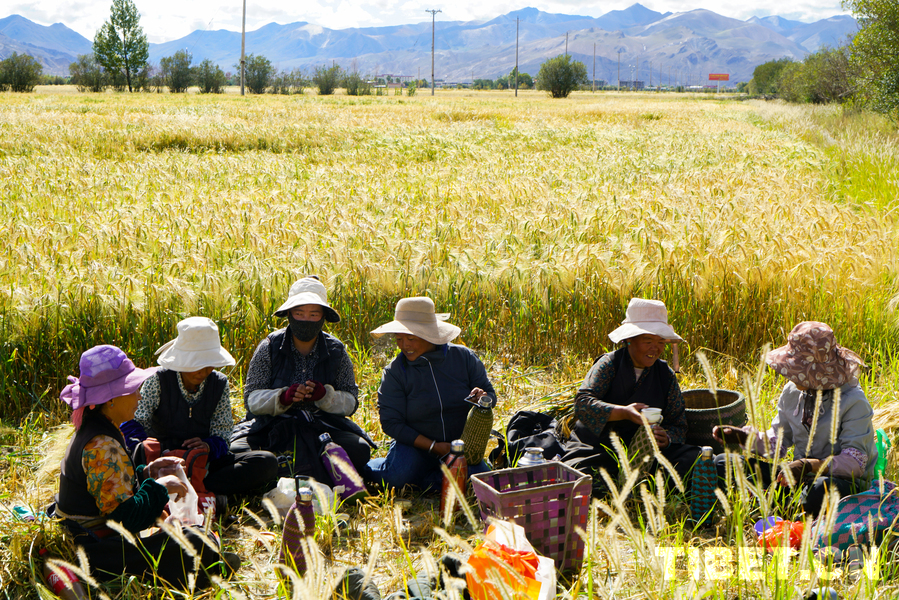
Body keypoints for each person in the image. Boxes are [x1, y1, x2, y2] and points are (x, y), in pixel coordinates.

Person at [51, 345, 239, 588]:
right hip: (95, 550)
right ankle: (208, 563)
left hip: (97, 539)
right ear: (111, 399)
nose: (139, 396)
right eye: (133, 390)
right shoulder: (102, 445)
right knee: (192, 542)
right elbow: (128, 519)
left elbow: (113, 484)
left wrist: (149, 471)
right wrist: (159, 487)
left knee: (192, 536)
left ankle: (209, 560)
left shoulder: (101, 429)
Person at [713, 321, 876, 517]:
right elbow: (778, 441)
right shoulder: (792, 391)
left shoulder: (853, 401)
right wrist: (744, 438)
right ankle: (787, 504)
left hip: (839, 482)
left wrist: (809, 464)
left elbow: (854, 463)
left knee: (820, 490)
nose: (791, 374)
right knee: (723, 462)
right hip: (797, 476)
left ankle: (775, 502)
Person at [123, 317, 278, 512]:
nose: (205, 370)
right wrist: (156, 456)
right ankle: (199, 493)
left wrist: (209, 446)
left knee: (266, 462)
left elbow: (222, 433)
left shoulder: (218, 383)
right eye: (197, 363)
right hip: (159, 462)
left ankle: (193, 487)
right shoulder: (159, 380)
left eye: (209, 363)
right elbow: (133, 423)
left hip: (203, 465)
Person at [230, 277, 375, 484]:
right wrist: (283, 397)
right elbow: (251, 398)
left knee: (359, 449)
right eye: (299, 313)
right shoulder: (269, 347)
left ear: (323, 317)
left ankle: (284, 469)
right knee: (238, 451)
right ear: (289, 314)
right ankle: (309, 469)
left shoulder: (337, 351)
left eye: (313, 314)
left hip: (321, 426)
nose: (305, 319)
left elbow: (351, 401)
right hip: (272, 425)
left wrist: (325, 396)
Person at [564, 298, 699, 496]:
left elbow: (678, 422)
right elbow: (583, 404)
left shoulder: (665, 374)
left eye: (660, 342)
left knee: (692, 460)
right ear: (630, 340)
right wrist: (623, 413)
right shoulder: (609, 364)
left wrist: (667, 438)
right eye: (648, 341)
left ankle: (639, 484)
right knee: (587, 479)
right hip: (599, 446)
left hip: (645, 453)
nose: (656, 348)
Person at [366, 296, 497, 490]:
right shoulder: (395, 373)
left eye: (411, 338)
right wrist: (433, 446)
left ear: (430, 335)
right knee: (396, 478)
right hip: (415, 446)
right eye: (399, 339)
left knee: (479, 481)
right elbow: (391, 423)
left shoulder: (463, 358)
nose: (404, 345)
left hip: (459, 448)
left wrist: (482, 398)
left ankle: (428, 479)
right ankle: (375, 467)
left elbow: (491, 397)